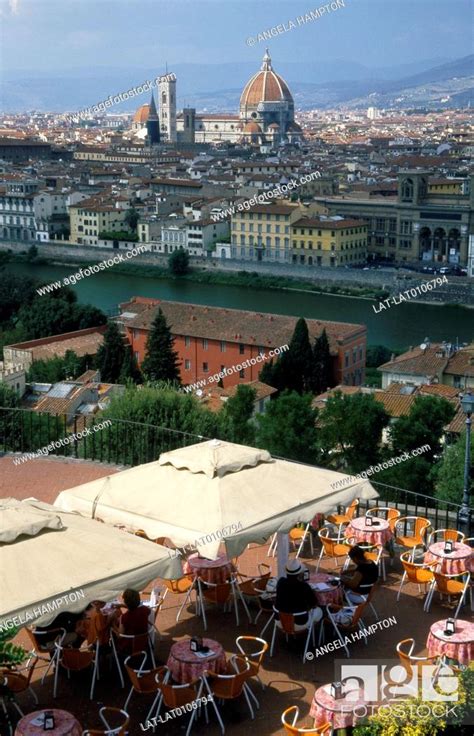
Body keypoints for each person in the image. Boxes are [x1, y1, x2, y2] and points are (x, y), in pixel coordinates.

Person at [275, 560, 322, 628]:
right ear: (300, 573)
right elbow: (314, 604)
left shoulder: (281, 582)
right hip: (299, 623)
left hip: (279, 620)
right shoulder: (304, 586)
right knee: (320, 611)